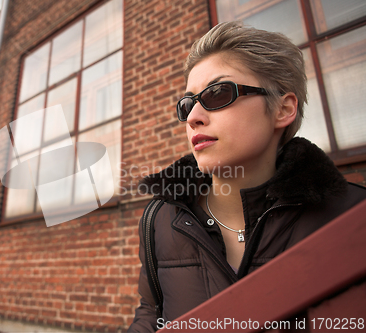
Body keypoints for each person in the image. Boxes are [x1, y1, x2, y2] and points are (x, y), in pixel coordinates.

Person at [128, 21, 366, 332]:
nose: (193, 118)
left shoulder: (352, 216)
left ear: (283, 109)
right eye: (188, 104)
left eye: (217, 93)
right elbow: (151, 314)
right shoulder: (160, 220)